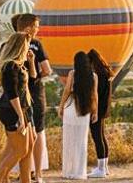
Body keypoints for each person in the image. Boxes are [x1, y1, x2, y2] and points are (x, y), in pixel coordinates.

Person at [0, 33, 37, 183]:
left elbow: (32, 81)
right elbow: (12, 93)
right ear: (21, 46)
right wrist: (20, 116)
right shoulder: (10, 66)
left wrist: (31, 61)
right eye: (27, 44)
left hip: (24, 107)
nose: (29, 48)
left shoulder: (19, 64)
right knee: (19, 150)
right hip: (13, 110)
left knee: (28, 147)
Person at [17, 14, 52, 183]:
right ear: (29, 28)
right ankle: (38, 174)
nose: (38, 29)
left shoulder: (8, 45)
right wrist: (36, 77)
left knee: (20, 135)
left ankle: (23, 173)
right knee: (37, 133)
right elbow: (47, 70)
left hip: (16, 97)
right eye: (37, 26)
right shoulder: (36, 45)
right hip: (36, 94)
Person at [58, 51, 98, 179]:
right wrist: (95, 111)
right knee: (81, 142)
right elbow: (94, 95)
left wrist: (61, 106)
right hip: (84, 110)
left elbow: (67, 90)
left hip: (71, 108)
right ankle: (79, 172)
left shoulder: (73, 74)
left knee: (69, 141)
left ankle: (68, 172)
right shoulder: (94, 76)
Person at [87, 49, 114, 178]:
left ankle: (101, 169)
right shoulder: (106, 73)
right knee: (102, 136)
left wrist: (94, 111)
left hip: (98, 108)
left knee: (97, 137)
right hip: (104, 108)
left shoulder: (98, 75)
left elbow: (95, 95)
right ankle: (104, 167)